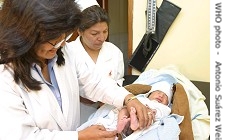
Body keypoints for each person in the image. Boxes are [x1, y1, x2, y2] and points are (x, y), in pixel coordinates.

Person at [0, 0, 152, 139]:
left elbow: (95, 82)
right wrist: (78, 137)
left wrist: (128, 98)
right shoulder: (5, 77)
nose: (61, 44)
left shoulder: (63, 52)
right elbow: (21, 136)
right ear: (25, 36)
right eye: (54, 41)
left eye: (64, 37)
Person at [68, 5, 125, 123]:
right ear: (80, 31)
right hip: (78, 114)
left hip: (107, 113)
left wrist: (106, 98)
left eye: (105, 31)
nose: (102, 38)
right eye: (94, 33)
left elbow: (119, 80)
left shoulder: (114, 52)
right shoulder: (68, 53)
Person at [76, 80, 177, 138]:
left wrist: (153, 112)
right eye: (158, 92)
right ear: (149, 94)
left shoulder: (164, 108)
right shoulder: (141, 98)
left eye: (165, 96)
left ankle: (133, 124)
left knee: (148, 118)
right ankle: (122, 123)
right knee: (124, 109)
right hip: (131, 112)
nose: (161, 96)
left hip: (147, 115)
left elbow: (163, 113)